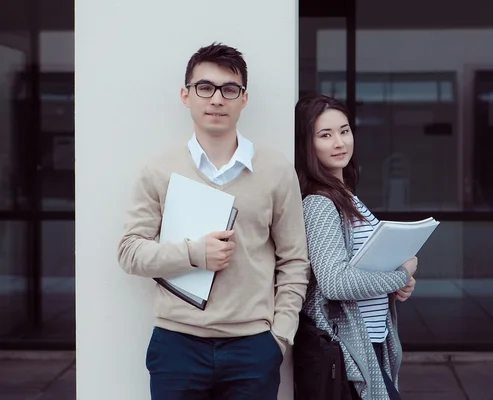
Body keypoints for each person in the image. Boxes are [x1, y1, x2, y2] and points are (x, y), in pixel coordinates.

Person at [117, 42, 311, 400]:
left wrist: (280, 336)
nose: (216, 99)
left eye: (229, 89)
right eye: (204, 88)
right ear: (186, 95)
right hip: (176, 344)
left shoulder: (276, 170)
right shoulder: (160, 170)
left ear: (243, 99)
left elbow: (295, 260)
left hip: (252, 347)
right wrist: (194, 253)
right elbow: (130, 252)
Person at [294, 94, 417, 400]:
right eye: (325, 135)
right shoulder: (320, 203)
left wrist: (396, 283)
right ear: (307, 145)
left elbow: (361, 268)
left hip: (368, 341)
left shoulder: (346, 196)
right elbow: (335, 282)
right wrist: (400, 276)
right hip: (347, 348)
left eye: (344, 130)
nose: (339, 142)